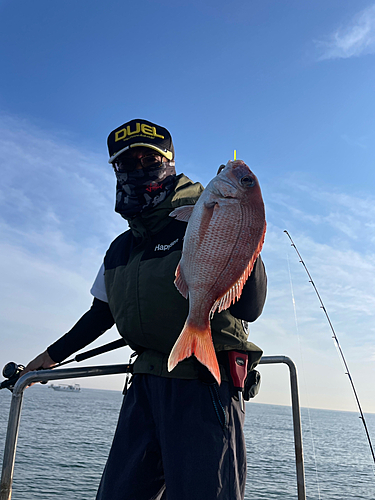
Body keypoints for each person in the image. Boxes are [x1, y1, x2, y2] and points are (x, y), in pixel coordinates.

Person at [23, 119, 267, 500]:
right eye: (127, 164)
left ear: (168, 164)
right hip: (145, 385)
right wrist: (51, 356)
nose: (138, 171)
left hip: (205, 386)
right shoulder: (121, 248)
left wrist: (243, 237)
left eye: (148, 161)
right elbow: (100, 314)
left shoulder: (205, 213)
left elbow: (251, 308)